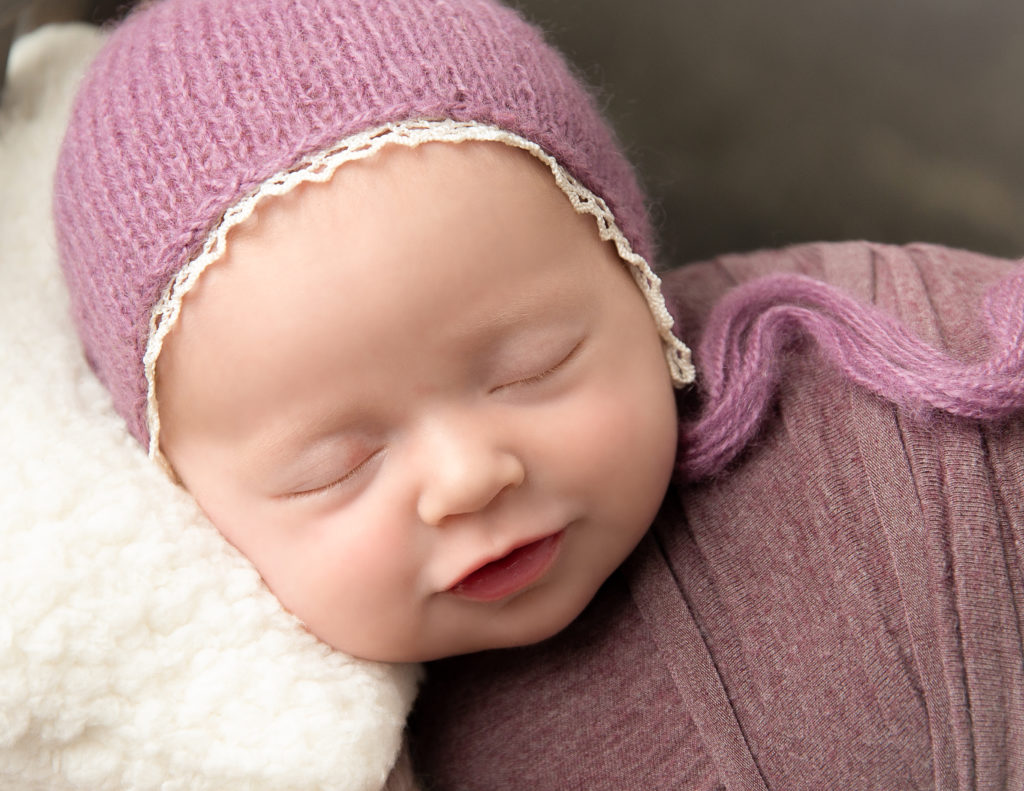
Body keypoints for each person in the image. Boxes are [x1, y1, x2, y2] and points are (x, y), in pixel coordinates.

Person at [54, 0, 1023, 786]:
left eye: (531, 367)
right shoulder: (238, 736)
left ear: (638, 287)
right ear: (191, 509)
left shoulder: (879, 396)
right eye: (334, 466)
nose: (469, 477)